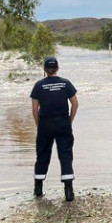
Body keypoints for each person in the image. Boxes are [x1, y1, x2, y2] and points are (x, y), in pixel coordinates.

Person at [30, 56, 78, 202]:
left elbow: (34, 108)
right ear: (57, 68)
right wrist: (69, 121)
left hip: (45, 124)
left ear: (45, 69)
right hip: (63, 123)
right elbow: (75, 104)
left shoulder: (39, 85)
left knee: (42, 155)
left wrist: (39, 125)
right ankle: (68, 192)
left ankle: (38, 189)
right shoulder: (65, 83)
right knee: (65, 155)